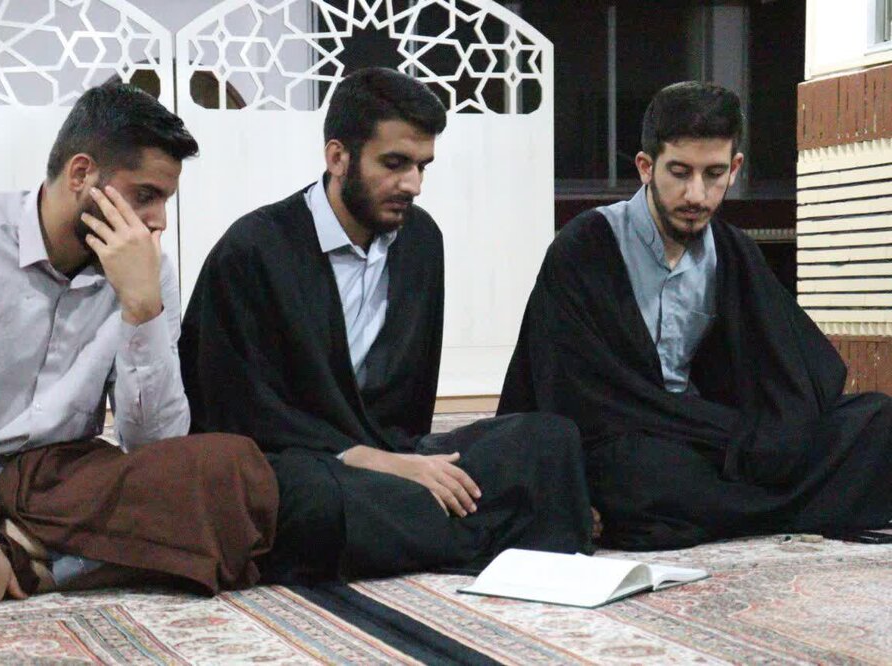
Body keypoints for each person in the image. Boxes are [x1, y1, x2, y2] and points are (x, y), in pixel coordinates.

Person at [180, 67, 594, 582]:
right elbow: (236, 409)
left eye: (422, 166)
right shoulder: (254, 250)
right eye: (395, 164)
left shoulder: (421, 241)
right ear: (338, 158)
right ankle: (491, 531)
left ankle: (430, 531)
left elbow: (409, 408)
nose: (413, 185)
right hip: (297, 462)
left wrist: (410, 463)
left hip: (390, 460)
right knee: (313, 505)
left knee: (547, 439)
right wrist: (375, 462)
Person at [0, 82, 278, 623]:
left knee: (231, 470)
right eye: (145, 195)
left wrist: (142, 310)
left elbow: (157, 446)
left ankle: (12, 562)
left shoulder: (148, 270)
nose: (159, 221)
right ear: (81, 175)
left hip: (62, 484)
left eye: (164, 200)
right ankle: (50, 564)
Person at [499, 81, 892, 550]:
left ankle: (724, 512)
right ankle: (772, 504)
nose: (696, 195)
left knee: (874, 419)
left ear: (735, 169)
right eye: (680, 173)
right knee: (639, 476)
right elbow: (575, 392)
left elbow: (794, 371)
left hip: (714, 438)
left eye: (714, 175)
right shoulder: (586, 246)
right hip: (634, 437)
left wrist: (768, 435)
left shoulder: (732, 251)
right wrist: (727, 438)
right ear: (646, 167)